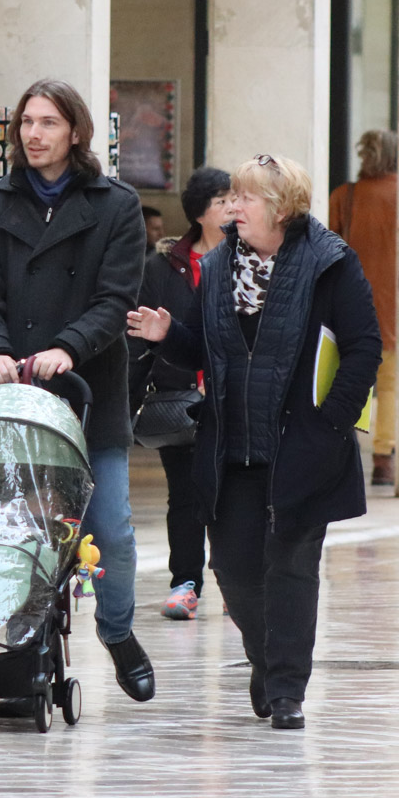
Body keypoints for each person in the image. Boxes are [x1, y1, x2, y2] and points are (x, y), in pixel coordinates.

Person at [128, 154, 382, 730]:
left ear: (282, 208)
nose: (232, 207)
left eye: (244, 197)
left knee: (291, 568)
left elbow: (363, 347)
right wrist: (169, 336)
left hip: (303, 447)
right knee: (235, 570)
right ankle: (267, 660)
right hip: (230, 446)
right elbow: (208, 348)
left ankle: (288, 689)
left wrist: (329, 424)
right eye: (230, 197)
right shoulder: (218, 267)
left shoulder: (330, 262)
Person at [0, 78, 156, 707]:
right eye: (26, 122)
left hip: (88, 389)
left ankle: (117, 631)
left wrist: (69, 347)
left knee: (111, 529)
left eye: (48, 122)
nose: (34, 134)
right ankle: (24, 651)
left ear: (75, 132)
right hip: (15, 394)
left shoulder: (117, 205)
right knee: (19, 532)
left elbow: (116, 298)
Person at [129, 167, 232, 620]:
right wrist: (130, 397)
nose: (232, 208)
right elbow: (140, 332)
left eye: (235, 200)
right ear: (200, 213)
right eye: (222, 201)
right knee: (185, 495)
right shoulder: (162, 266)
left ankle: (234, 582)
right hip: (179, 398)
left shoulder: (246, 262)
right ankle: (185, 583)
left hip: (231, 398)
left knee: (231, 494)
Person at [329, 129, 399, 485]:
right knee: (388, 386)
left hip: (350, 302)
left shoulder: (345, 196)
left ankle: (349, 446)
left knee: (351, 380)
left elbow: (327, 249)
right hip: (392, 306)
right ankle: (383, 458)